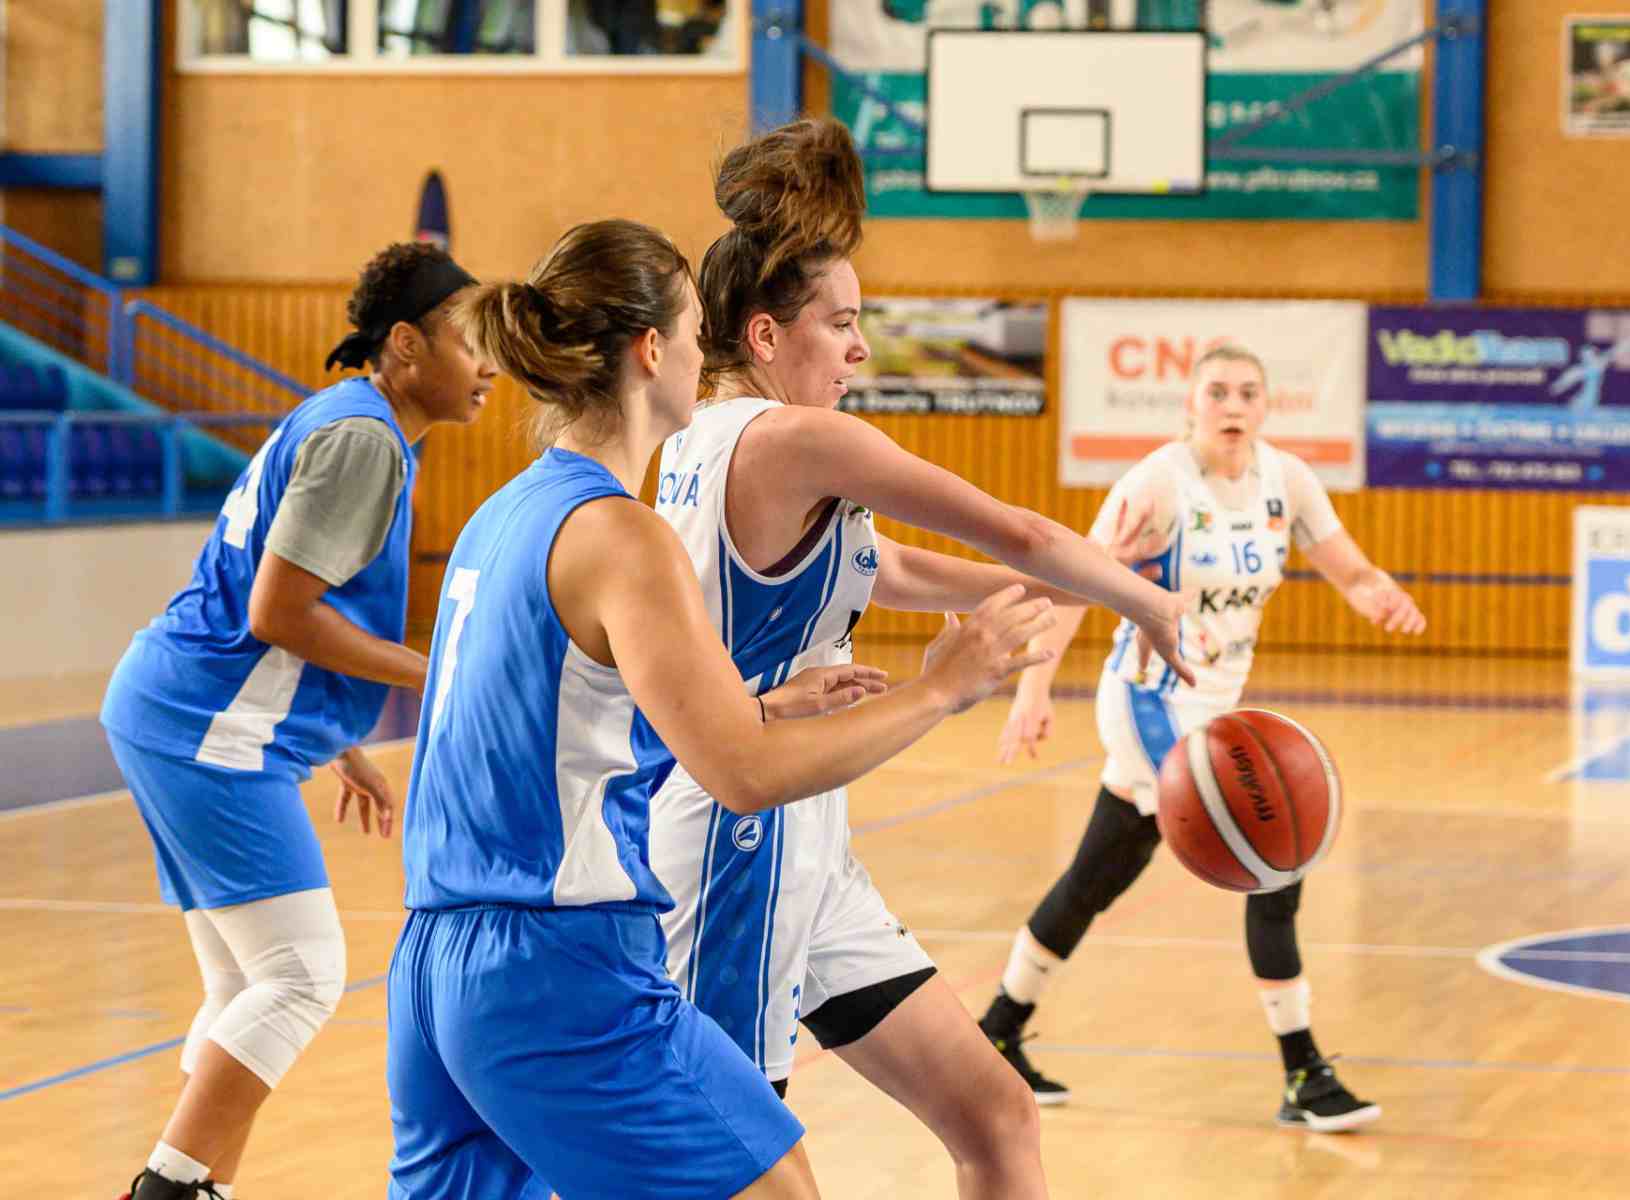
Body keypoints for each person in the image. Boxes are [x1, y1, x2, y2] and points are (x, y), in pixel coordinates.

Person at [384, 218, 1057, 1200]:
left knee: (807, 1157)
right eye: (698, 332)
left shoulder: (505, 514)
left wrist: (756, 704)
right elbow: (743, 776)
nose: (708, 356)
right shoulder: (623, 534)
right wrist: (942, 688)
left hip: (435, 958)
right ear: (651, 351)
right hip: (557, 962)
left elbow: (554, 733)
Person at [650, 116, 1192, 1199]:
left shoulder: (706, 441)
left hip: (808, 847)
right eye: (843, 323)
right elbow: (1017, 530)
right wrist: (1150, 602)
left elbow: (887, 567)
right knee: (725, 1172)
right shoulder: (797, 439)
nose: (860, 349)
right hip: (735, 847)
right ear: (765, 335)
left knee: (995, 1113)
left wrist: (1064, 590)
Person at [103, 243, 496, 1200]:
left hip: (179, 709)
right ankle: (165, 1189)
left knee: (248, 987)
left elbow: (284, 602)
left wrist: (338, 739)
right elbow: (277, 611)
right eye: (468, 341)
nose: (489, 364)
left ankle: (200, 1187)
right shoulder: (365, 439)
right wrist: (438, 674)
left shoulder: (351, 422)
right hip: (205, 725)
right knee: (303, 974)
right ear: (405, 345)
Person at [977, 343, 1427, 1133]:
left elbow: (1351, 572)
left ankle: (997, 1032)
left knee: (1098, 875)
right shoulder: (1158, 483)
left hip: (1217, 708)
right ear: (1190, 404)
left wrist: (1379, 594)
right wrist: (1034, 690)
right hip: (1148, 701)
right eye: (1217, 392)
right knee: (1276, 857)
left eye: (1248, 393)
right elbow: (1075, 579)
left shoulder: (1286, 481)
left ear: (1266, 407)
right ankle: (1304, 1074)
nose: (1233, 406)